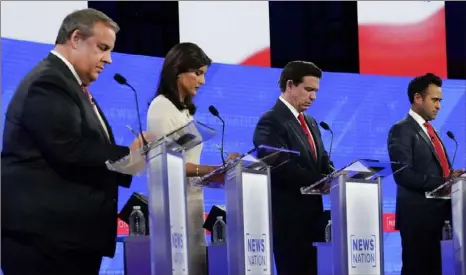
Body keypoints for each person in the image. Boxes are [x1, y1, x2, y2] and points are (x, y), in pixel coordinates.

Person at [1, 8, 150, 275]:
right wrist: (129, 155)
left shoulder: (68, 83)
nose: (109, 59)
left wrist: (133, 157)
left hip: (67, 239)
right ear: (76, 38)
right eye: (103, 48)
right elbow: (68, 148)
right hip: (45, 241)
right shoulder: (48, 81)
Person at [147, 42, 238, 275]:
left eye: (204, 74)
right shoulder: (161, 107)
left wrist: (219, 170)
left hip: (192, 199)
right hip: (172, 205)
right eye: (197, 74)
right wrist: (213, 169)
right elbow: (165, 164)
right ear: (177, 71)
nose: (202, 81)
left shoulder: (183, 111)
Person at [253, 61, 333, 275]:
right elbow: (280, 166)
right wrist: (320, 180)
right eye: (308, 90)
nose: (313, 97)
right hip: (288, 220)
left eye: (315, 91)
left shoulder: (312, 122)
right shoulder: (270, 121)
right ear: (290, 85)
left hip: (314, 219)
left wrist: (335, 176)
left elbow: (322, 160)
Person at [387, 73, 463, 275]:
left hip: (441, 216)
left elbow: (432, 169)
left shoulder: (432, 131)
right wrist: (443, 181)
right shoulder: (401, 129)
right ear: (418, 98)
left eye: (440, 101)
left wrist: (452, 176)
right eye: (434, 100)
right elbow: (403, 174)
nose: (439, 106)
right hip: (418, 218)